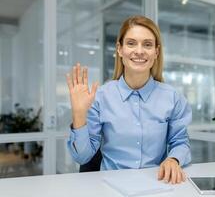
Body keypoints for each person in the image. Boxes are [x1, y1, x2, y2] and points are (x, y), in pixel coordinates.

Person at [66, 15, 192, 184]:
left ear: (156, 52)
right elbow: (82, 157)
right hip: (111, 187)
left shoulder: (172, 98)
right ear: (119, 49)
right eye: (131, 43)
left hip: (158, 184)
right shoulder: (101, 97)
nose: (139, 51)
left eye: (147, 44)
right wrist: (79, 115)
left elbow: (180, 142)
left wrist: (173, 159)